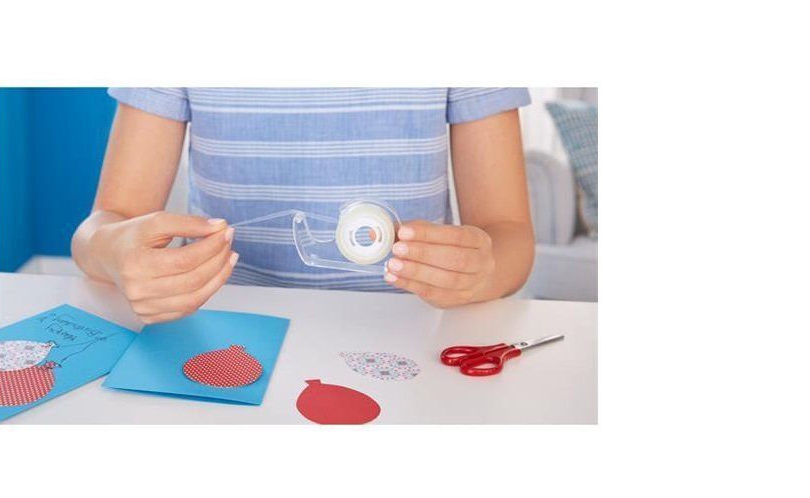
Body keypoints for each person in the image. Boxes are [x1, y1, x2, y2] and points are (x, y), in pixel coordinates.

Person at [72, 88, 535, 324]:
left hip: (414, 336)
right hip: (229, 332)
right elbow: (100, 229)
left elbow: (509, 234)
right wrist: (116, 255)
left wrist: (483, 270)